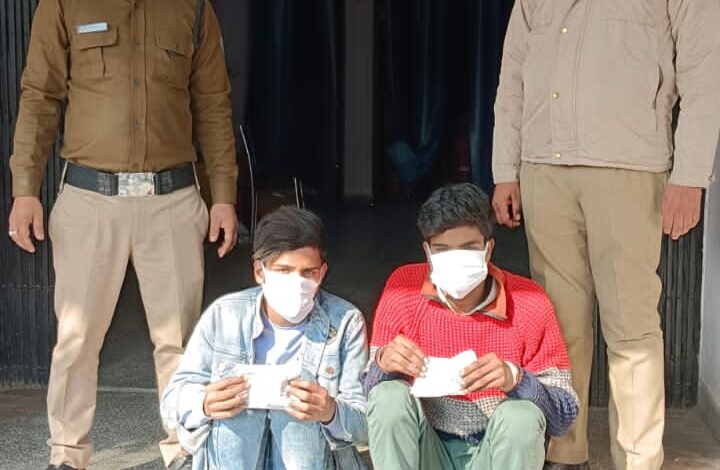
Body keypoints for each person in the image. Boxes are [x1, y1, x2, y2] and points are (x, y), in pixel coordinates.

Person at [7, 1, 240, 468]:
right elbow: (40, 96)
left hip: (172, 199)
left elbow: (213, 102)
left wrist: (223, 195)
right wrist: (25, 189)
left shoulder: (193, 7)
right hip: (89, 198)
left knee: (179, 339)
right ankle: (67, 454)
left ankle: (183, 448)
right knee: (76, 339)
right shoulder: (63, 3)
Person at [491, 2, 720, 469]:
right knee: (558, 325)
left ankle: (639, 460)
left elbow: (705, 71)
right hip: (544, 166)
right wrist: (504, 168)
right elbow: (512, 76)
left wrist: (691, 175)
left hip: (629, 168)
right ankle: (564, 453)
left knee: (631, 329)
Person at [364, 183, 578, 470]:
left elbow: (563, 416)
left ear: (488, 249)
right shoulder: (402, 289)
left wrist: (515, 378)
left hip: (495, 452)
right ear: (427, 251)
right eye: (442, 250)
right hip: (425, 449)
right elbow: (369, 395)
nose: (455, 260)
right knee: (387, 397)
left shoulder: (530, 302)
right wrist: (383, 363)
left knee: (522, 419)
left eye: (468, 248)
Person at [162, 206, 369, 470]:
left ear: (322, 272)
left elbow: (364, 426)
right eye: (284, 270)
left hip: (310, 457)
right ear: (260, 272)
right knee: (236, 407)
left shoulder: (345, 321)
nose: (297, 282)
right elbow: (172, 402)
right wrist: (204, 402)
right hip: (233, 455)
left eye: (308, 272)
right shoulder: (224, 315)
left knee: (296, 409)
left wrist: (328, 410)